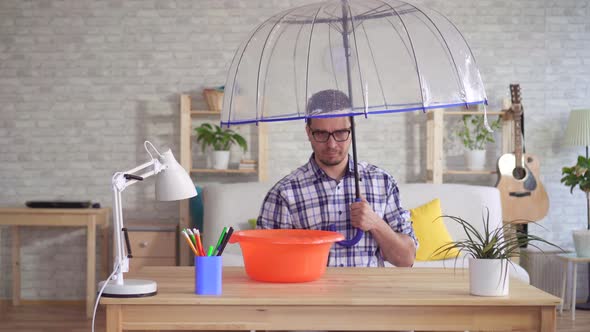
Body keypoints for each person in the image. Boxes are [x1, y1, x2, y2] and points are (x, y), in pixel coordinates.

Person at [257, 89, 417, 267]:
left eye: (341, 133)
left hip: (368, 294)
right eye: (321, 134)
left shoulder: (383, 182)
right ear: (309, 132)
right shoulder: (284, 193)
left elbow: (406, 259)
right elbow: (265, 262)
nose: (332, 144)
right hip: (311, 294)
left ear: (352, 130)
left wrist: (376, 223)